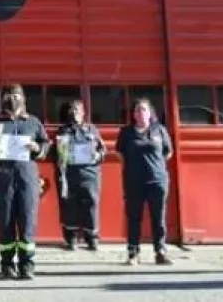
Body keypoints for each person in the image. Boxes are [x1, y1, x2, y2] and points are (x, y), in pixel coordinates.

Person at [0, 84, 50, 280]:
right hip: (3, 179)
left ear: (24, 98)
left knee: (28, 222)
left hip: (27, 178)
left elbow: (46, 145)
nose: (13, 98)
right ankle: (7, 264)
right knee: (5, 222)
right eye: (8, 95)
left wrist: (37, 147)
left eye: (16, 95)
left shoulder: (33, 122)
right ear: (2, 99)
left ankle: (27, 265)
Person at [115, 98, 174, 266]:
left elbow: (168, 152)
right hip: (134, 181)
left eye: (143, 110)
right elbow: (119, 153)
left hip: (157, 180)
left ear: (150, 113)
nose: (140, 113)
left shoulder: (159, 130)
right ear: (133, 114)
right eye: (137, 110)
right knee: (134, 217)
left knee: (158, 217)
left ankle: (160, 251)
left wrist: (156, 166)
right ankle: (133, 252)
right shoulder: (126, 133)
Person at [53, 99, 106, 251]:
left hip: (89, 174)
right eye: (72, 110)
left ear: (83, 113)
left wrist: (97, 156)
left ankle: (92, 238)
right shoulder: (62, 131)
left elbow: (103, 150)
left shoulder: (92, 130)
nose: (74, 113)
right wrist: (59, 155)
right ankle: (71, 238)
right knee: (69, 205)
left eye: (77, 110)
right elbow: (54, 154)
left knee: (91, 204)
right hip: (69, 175)